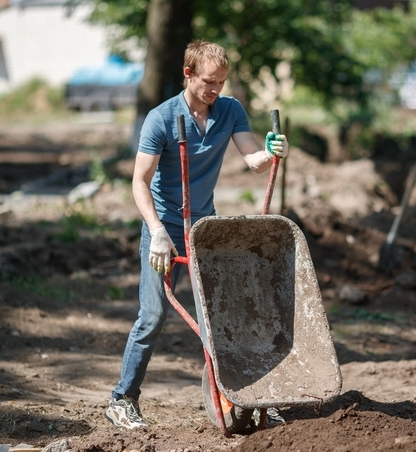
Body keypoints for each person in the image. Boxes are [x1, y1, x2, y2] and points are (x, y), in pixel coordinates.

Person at [105, 40, 290, 429]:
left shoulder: (230, 110)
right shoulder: (161, 118)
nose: (215, 90)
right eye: (208, 82)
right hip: (164, 229)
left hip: (204, 228)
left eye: (221, 82)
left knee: (217, 319)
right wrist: (156, 230)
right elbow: (139, 182)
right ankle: (122, 399)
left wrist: (272, 151)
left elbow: (253, 159)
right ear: (188, 74)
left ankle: (247, 398)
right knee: (153, 316)